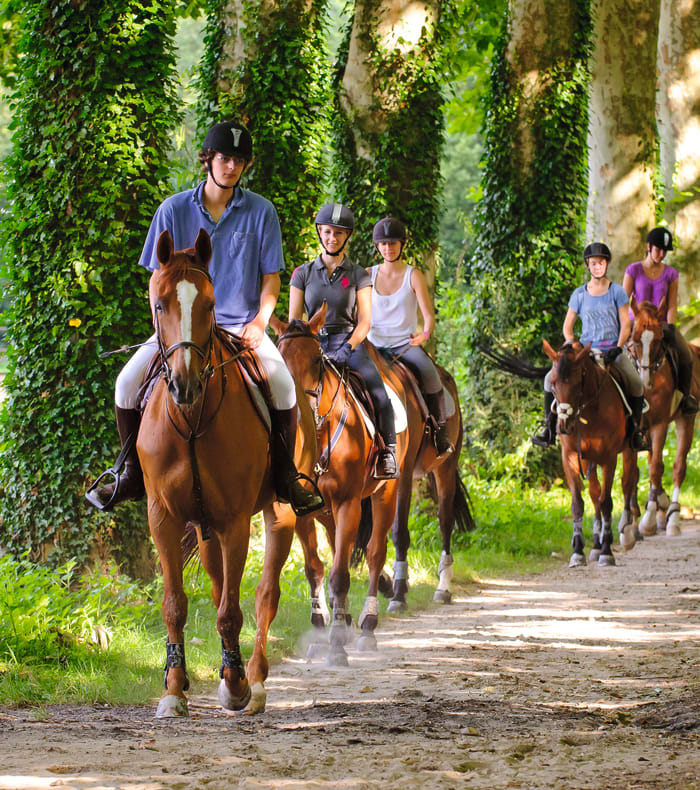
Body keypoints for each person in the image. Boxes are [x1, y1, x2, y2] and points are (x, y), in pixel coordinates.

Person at [86, 120, 323, 516]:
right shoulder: (172, 209)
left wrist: (261, 321)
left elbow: (271, 278)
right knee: (125, 384)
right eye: (225, 158)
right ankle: (130, 475)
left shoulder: (261, 211)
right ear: (208, 159)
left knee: (283, 387)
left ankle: (287, 477)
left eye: (239, 161)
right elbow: (156, 281)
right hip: (182, 332)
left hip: (241, 327)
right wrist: (165, 329)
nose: (231, 167)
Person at [289, 203, 399, 479]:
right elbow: (294, 321)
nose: (332, 238)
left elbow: (365, 322)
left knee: (379, 393)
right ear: (319, 232)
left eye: (338, 233)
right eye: (328, 232)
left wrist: (348, 348)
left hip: (348, 342)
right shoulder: (302, 273)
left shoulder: (359, 275)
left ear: (347, 236)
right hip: (312, 343)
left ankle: (388, 452)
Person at [532, 242, 650, 451]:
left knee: (636, 384)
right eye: (594, 263)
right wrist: (572, 344)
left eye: (601, 262)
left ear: (606, 264)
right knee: (549, 379)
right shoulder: (579, 294)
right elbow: (567, 327)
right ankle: (549, 428)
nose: (598, 266)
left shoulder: (617, 292)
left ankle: (635, 432)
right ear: (588, 265)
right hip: (585, 351)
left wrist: (619, 347)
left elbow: (625, 324)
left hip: (612, 350)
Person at [367, 217, 453, 458]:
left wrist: (424, 334)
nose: (388, 248)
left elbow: (429, 316)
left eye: (393, 243)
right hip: (372, 346)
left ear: (402, 244)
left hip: (404, 345)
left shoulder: (413, 276)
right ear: (377, 246)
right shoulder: (366, 275)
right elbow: (352, 303)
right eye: (383, 244)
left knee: (430, 374)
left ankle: (440, 432)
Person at [622, 226, 698, 414]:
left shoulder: (671, 274)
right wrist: (624, 324)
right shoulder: (633, 270)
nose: (662, 254)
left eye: (665, 251)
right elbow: (623, 302)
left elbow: (671, 305)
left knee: (686, 355)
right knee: (611, 351)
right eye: (658, 249)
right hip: (635, 324)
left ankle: (685, 398)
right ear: (649, 246)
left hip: (660, 324)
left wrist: (670, 326)